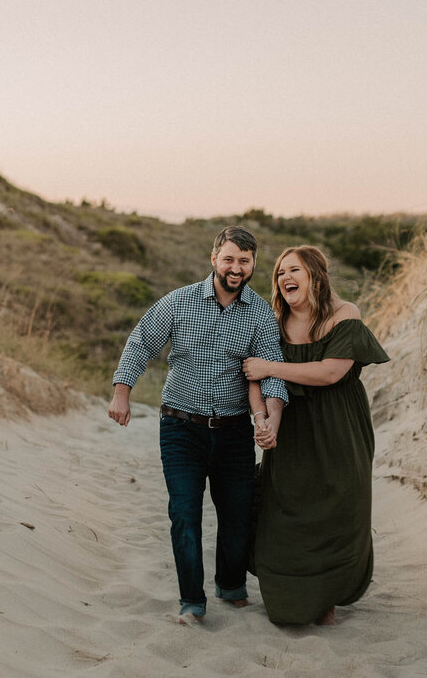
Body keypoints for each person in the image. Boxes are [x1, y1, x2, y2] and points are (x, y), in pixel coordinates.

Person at [108, 225, 287, 625]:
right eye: (229, 259)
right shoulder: (180, 301)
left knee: (237, 513)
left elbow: (270, 371)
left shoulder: (260, 314)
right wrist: (122, 391)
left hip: (235, 430)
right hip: (180, 428)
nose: (236, 267)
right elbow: (141, 342)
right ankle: (192, 600)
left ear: (254, 263)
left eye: (244, 260)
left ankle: (231, 585)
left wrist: (271, 417)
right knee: (184, 514)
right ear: (214, 259)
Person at [243, 245, 389, 626]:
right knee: (284, 510)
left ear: (315, 276)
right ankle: (289, 598)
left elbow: (329, 373)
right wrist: (263, 417)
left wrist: (270, 366)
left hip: (340, 427)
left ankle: (327, 599)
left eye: (294, 270)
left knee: (337, 509)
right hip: (291, 428)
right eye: (279, 273)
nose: (285, 278)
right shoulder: (272, 323)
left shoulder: (345, 315)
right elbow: (254, 378)